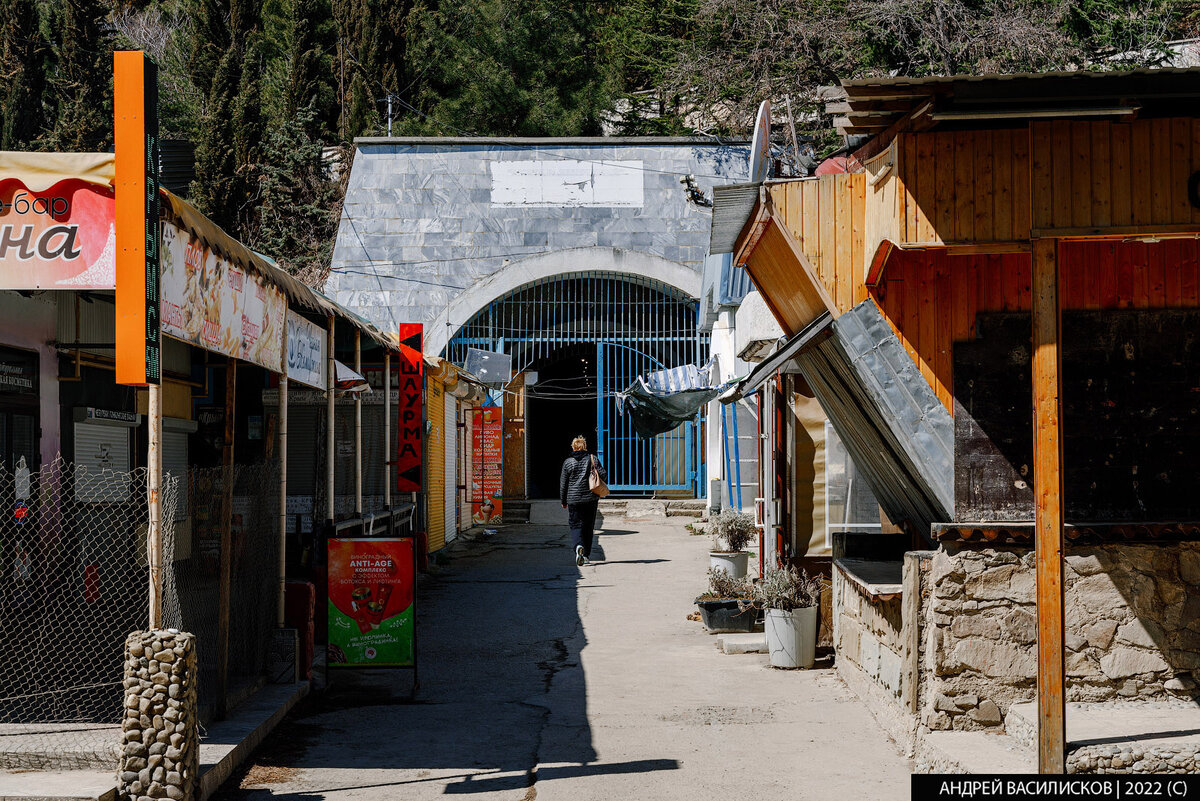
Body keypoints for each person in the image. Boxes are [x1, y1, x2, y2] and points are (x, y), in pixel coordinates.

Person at [559, 435, 606, 566]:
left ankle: (578, 546)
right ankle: (585, 555)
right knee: (588, 526)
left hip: (573, 499)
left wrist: (563, 500)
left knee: (575, 525)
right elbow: (604, 475)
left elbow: (563, 484)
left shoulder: (568, 462)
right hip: (590, 499)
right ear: (584, 447)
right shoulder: (592, 459)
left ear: (573, 447)